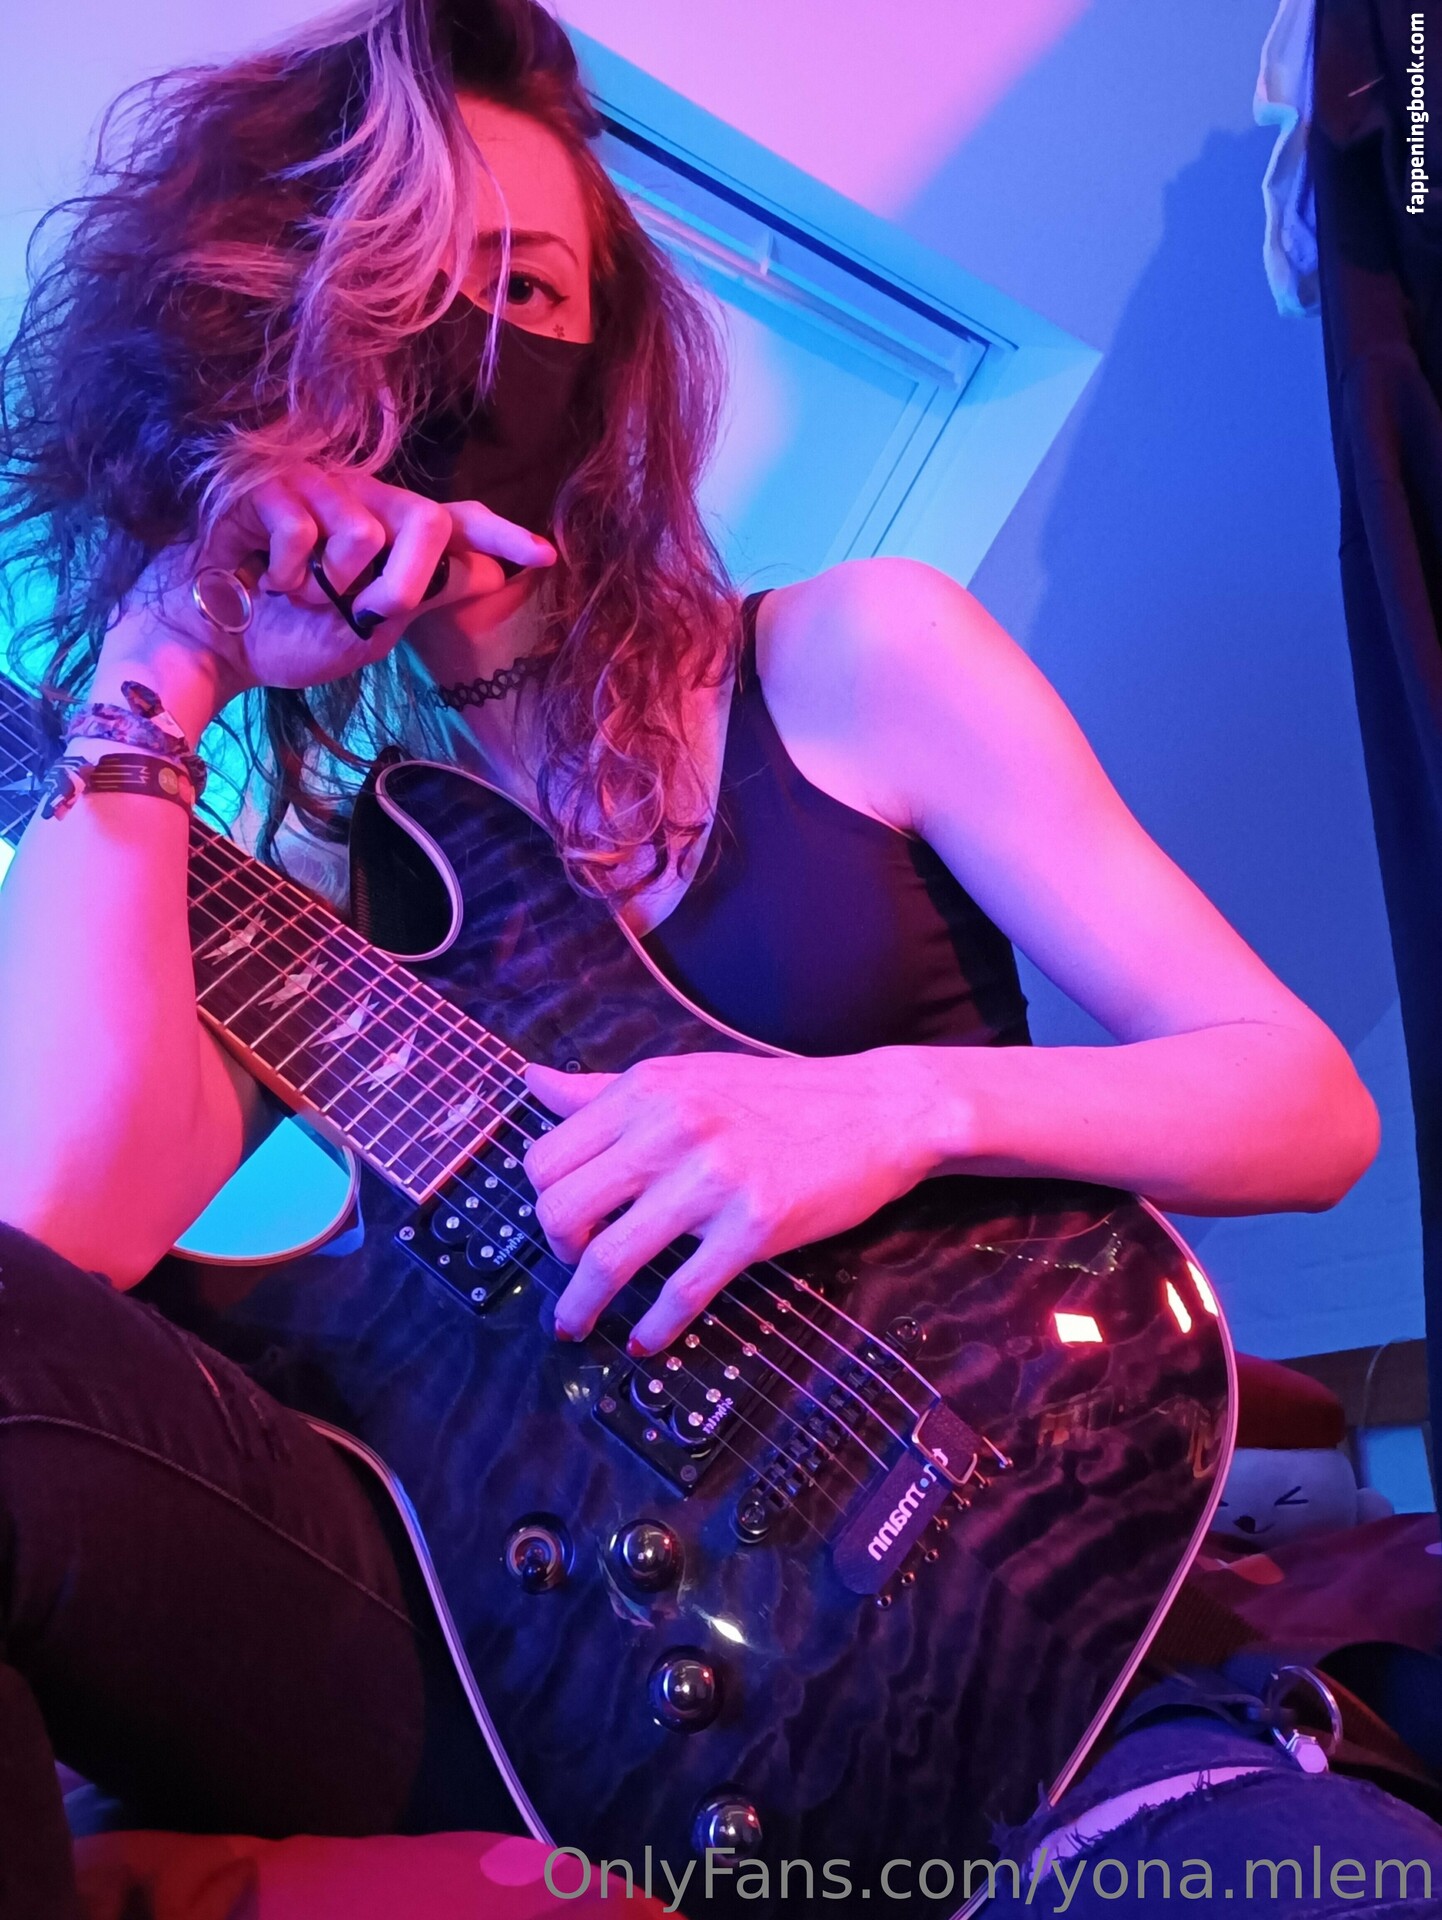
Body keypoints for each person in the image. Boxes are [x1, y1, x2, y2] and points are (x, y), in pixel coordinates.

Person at [0, 0, 1396, 1899]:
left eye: (520, 290)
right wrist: (167, 655)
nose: (455, 353)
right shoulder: (333, 867)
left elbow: (1304, 1105)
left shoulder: (850, 656)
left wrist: (878, 1110)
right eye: (386, 290)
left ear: (614, 359)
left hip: (1005, 1589)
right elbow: (50, 1245)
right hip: (564, 1670)